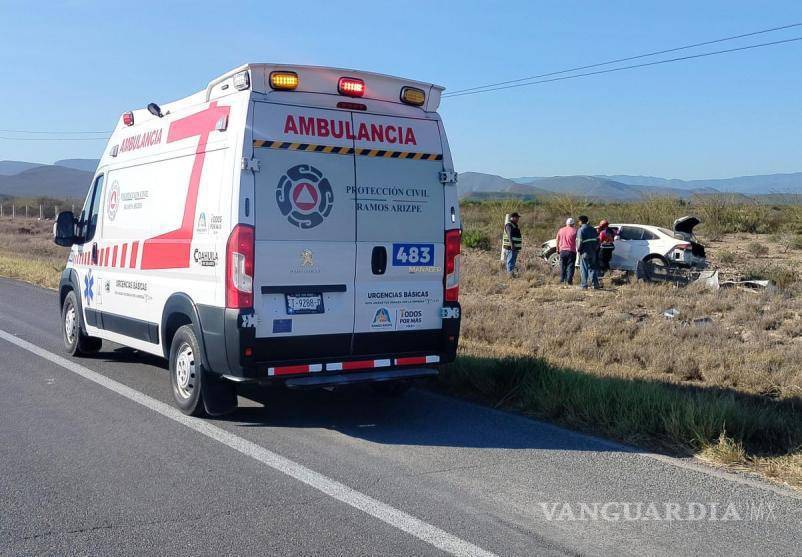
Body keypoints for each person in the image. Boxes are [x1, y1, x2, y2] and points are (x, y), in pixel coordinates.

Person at [576, 215, 600, 289]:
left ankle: (584, 285)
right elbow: (598, 240)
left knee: (583, 269)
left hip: (584, 252)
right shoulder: (593, 229)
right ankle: (595, 284)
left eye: (578, 221)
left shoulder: (581, 230)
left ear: (581, 221)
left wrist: (579, 250)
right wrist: (595, 249)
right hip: (593, 252)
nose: (578, 223)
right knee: (592, 268)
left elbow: (579, 242)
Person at [555, 218, 577, 285]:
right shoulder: (575, 231)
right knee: (570, 266)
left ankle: (562, 280)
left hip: (562, 251)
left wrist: (557, 249)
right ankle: (569, 281)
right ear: (573, 224)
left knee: (562, 266)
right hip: (571, 251)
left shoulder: (561, 230)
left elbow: (557, 240)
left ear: (566, 223)